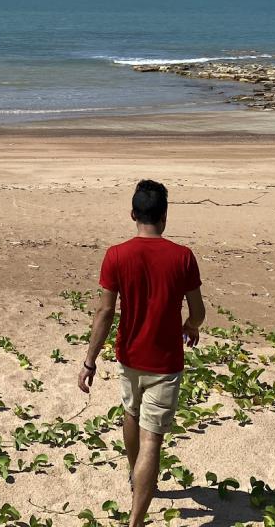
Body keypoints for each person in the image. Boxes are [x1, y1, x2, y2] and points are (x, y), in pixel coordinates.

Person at [78, 179, 205, 527]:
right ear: (164, 216)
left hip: (129, 356)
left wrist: (89, 361)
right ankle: (136, 520)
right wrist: (191, 326)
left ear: (133, 214)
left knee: (131, 416)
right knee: (153, 438)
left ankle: (136, 479)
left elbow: (104, 313)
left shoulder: (116, 255)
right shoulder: (182, 256)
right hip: (164, 363)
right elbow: (198, 311)